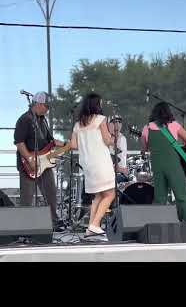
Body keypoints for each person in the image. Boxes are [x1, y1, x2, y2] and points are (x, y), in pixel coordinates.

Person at [141, 102, 186, 234]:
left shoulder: (147, 128)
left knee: (160, 197)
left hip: (157, 167)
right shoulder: (174, 125)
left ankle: (156, 228)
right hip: (173, 166)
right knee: (182, 195)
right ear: (168, 113)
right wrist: (179, 147)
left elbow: (145, 148)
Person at [14, 91, 66, 232]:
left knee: (51, 193)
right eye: (46, 106)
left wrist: (67, 144)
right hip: (28, 165)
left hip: (45, 164)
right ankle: (23, 227)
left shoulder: (43, 121)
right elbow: (19, 143)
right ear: (38, 104)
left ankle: (54, 222)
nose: (48, 109)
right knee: (27, 198)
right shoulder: (25, 119)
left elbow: (50, 141)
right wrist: (30, 159)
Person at [70, 92, 115, 237]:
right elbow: (108, 141)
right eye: (100, 103)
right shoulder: (101, 119)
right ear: (97, 104)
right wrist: (113, 134)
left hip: (88, 165)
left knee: (98, 196)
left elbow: (73, 144)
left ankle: (90, 228)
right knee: (110, 194)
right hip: (101, 162)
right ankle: (95, 224)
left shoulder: (78, 125)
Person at [108, 115, 129, 180]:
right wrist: (121, 170)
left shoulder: (123, 138)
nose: (117, 124)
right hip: (111, 175)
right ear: (108, 125)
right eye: (114, 122)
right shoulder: (106, 138)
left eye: (119, 122)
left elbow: (122, 160)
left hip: (122, 174)